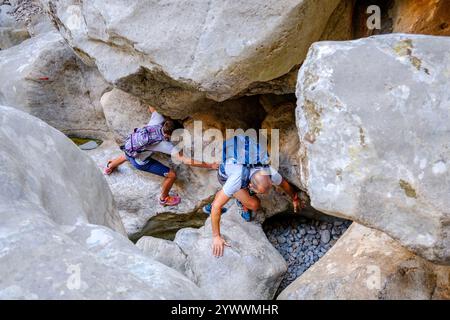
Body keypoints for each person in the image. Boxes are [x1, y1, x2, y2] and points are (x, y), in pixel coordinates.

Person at [202, 135, 304, 257]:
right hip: (225, 175)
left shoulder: (268, 171)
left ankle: (236, 196)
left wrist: (295, 198)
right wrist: (216, 236)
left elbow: (284, 184)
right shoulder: (237, 179)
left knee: (249, 198)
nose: (264, 194)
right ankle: (235, 200)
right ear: (250, 185)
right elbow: (216, 208)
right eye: (260, 192)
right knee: (254, 204)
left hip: (240, 169)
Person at [104, 106, 217, 206]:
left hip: (130, 149)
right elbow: (186, 160)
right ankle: (164, 198)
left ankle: (110, 166)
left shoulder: (158, 119)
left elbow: (153, 107)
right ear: (169, 135)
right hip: (140, 162)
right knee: (171, 175)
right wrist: (210, 165)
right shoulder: (164, 145)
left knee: (128, 156)